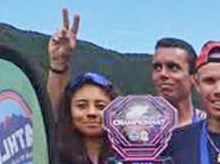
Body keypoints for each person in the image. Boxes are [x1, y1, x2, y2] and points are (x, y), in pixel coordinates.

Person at [47, 8, 204, 126]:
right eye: (157, 67)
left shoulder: (208, 125)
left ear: (193, 78)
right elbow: (54, 117)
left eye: (173, 67)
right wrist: (58, 65)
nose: (163, 74)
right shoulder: (133, 122)